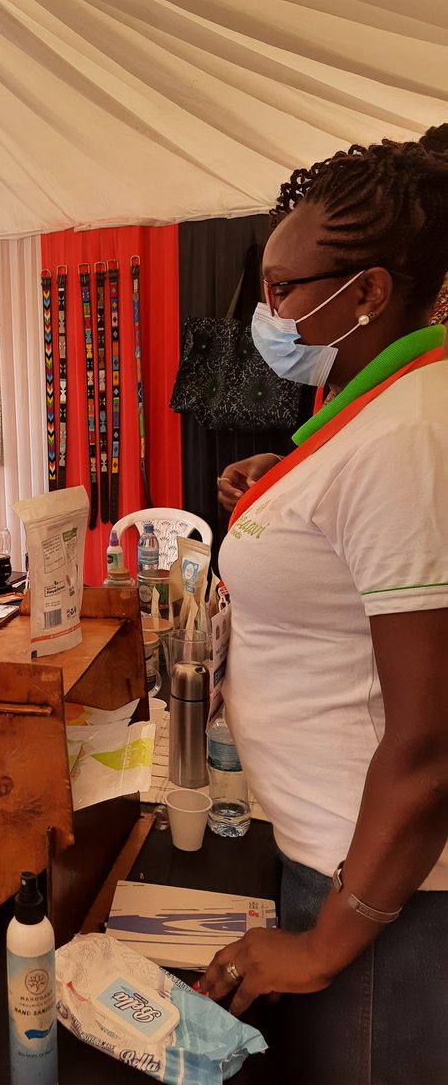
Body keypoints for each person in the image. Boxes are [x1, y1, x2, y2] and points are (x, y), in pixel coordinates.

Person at [201, 136, 448, 1083]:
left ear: (370, 293)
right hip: (336, 852)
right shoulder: (374, 410)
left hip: (385, 889)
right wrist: (286, 489)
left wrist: (324, 944)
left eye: (284, 290)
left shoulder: (408, 438)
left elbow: (427, 745)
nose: (268, 315)